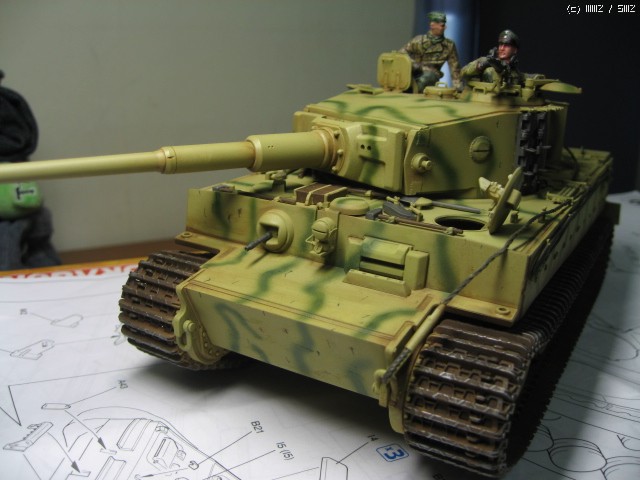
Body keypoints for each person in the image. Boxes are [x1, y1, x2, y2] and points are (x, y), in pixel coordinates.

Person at [399, 11, 461, 91]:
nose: (443, 27)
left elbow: (455, 67)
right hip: (413, 72)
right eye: (441, 25)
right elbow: (401, 54)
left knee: (423, 80)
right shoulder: (418, 41)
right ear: (432, 25)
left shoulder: (449, 45)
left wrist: (458, 87)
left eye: (443, 25)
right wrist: (413, 64)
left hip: (432, 75)